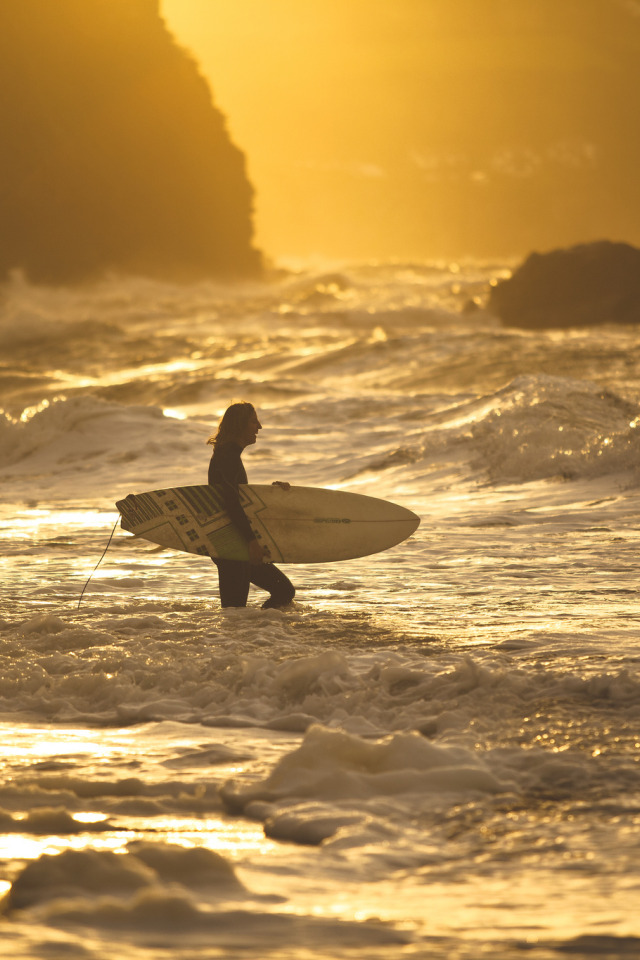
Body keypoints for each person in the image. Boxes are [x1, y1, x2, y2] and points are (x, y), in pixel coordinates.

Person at [207, 401, 296, 609]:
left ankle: (258, 634)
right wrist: (251, 542)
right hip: (231, 547)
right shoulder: (227, 456)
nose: (260, 427)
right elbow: (231, 503)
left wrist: (271, 494)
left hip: (236, 543)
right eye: (254, 422)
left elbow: (237, 496)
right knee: (234, 611)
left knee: (283, 591)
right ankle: (249, 638)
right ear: (240, 425)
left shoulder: (228, 455)